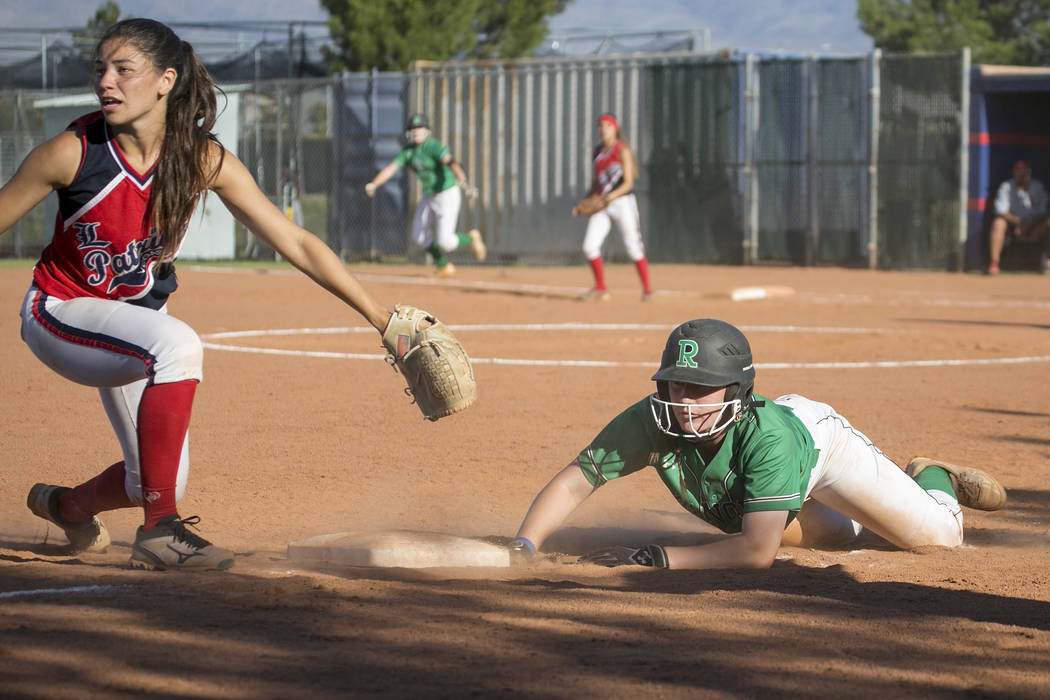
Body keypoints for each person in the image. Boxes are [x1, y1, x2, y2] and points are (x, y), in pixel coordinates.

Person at [1, 19, 397, 571]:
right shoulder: (73, 152)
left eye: (123, 69)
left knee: (157, 477)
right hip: (61, 313)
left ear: (166, 80)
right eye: (100, 69)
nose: (106, 82)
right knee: (178, 344)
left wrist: (382, 319)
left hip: (136, 326)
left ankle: (66, 506)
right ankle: (160, 533)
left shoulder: (201, 159)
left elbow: (296, 241)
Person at [507, 319, 1006, 570]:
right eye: (676, 385)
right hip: (771, 469)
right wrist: (525, 543)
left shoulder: (771, 438)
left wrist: (659, 557)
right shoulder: (653, 418)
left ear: (737, 391)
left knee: (936, 539)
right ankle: (886, 497)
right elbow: (577, 482)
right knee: (850, 539)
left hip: (816, 450)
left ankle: (930, 475)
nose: (685, 401)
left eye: (701, 388)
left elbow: (756, 553)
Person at [365, 113, 486, 278]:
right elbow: (391, 168)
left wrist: (463, 181)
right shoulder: (409, 152)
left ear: (427, 131)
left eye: (420, 128)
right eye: (413, 129)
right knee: (419, 235)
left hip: (446, 193)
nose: (416, 132)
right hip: (429, 196)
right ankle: (443, 265)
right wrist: (374, 184)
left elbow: (451, 163)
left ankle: (471, 239)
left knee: (446, 242)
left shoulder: (433, 146)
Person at [573, 113, 653, 302]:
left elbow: (628, 183)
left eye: (607, 125)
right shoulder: (597, 152)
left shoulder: (622, 150)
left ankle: (647, 290)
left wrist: (608, 197)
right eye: (600, 126)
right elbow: (596, 182)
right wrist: (584, 202)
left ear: (615, 128)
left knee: (633, 247)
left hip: (622, 202)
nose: (603, 129)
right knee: (589, 246)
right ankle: (600, 287)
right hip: (602, 203)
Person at [988, 160, 1050, 275]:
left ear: (1029, 173)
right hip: (1013, 226)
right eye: (1019, 173)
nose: (1022, 176)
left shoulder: (1038, 187)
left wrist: (1029, 224)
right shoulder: (1006, 187)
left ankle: (1048, 261)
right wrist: (1018, 223)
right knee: (998, 223)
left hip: (1035, 226)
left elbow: (1043, 211)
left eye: (1025, 173)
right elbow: (1001, 211)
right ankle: (994, 263)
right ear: (1014, 174)